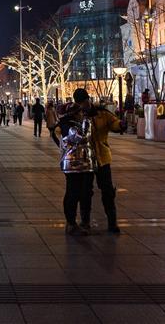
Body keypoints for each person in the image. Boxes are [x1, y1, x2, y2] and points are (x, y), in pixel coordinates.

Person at [68, 88, 124, 234]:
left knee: (107, 190)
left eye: (84, 102)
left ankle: (112, 222)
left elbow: (114, 123)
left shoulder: (101, 113)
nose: (82, 105)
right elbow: (65, 130)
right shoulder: (76, 115)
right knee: (85, 192)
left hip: (102, 158)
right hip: (85, 161)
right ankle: (85, 221)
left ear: (88, 100)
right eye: (79, 103)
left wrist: (120, 125)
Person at [52, 102, 94, 235]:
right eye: (80, 112)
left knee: (79, 192)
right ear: (73, 114)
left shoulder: (70, 124)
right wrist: (87, 121)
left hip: (80, 164)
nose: (82, 114)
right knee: (73, 193)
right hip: (72, 164)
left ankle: (76, 222)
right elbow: (82, 137)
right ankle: (71, 223)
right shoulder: (67, 126)